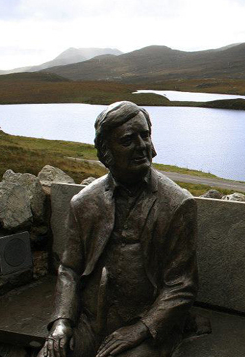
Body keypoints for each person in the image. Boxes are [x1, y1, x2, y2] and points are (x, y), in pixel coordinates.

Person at [39, 101, 198, 357]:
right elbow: (69, 269)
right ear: (106, 152)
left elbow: (181, 285)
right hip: (90, 321)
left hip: (148, 326)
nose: (142, 146)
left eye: (145, 135)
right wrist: (62, 322)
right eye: (128, 140)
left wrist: (141, 328)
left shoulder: (177, 204)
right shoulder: (84, 203)